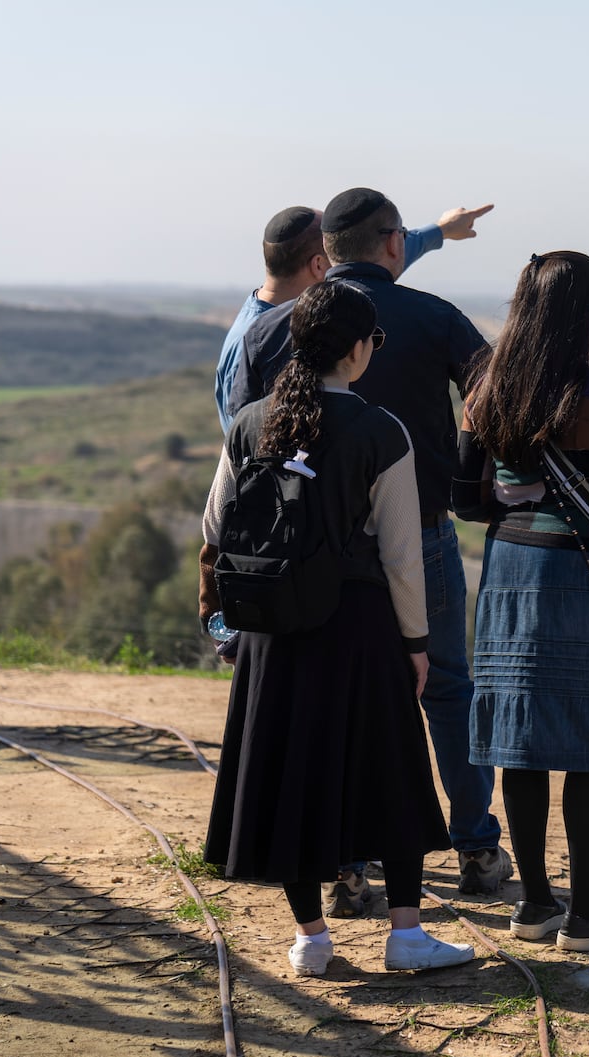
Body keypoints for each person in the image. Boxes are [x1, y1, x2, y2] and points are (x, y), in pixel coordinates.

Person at [230, 188, 513, 906]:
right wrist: (467, 475)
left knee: (333, 696)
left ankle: (348, 865)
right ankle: (477, 846)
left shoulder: (273, 330)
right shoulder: (434, 317)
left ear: (328, 252)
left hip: (310, 554)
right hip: (420, 532)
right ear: (393, 245)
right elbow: (494, 401)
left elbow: (246, 441)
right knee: (448, 689)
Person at [198, 280, 473, 976]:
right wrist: (417, 645)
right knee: (390, 770)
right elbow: (402, 555)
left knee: (292, 773)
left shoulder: (251, 421)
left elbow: (213, 527)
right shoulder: (382, 431)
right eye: (372, 340)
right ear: (357, 349)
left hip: (273, 631)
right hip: (358, 626)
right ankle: (407, 933)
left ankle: (312, 939)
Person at [452, 250, 589, 951]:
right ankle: (586, 912)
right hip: (586, 576)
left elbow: (463, 498)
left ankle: (536, 904)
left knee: (519, 739)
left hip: (509, 569)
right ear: (584, 313)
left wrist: (520, 503)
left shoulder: (485, 387)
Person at [214, 201, 493, 432]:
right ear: (319, 262)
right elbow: (494, 394)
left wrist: (440, 231)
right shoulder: (437, 318)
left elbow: (243, 440)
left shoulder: (261, 332)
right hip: (424, 498)